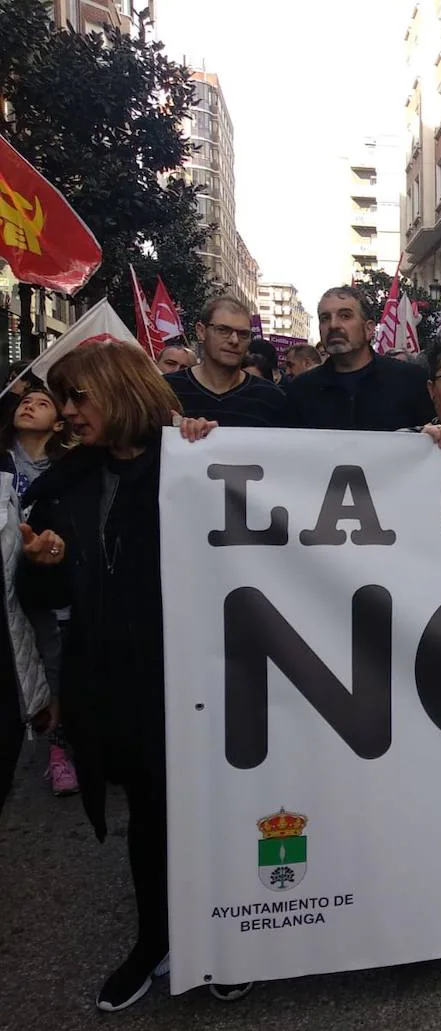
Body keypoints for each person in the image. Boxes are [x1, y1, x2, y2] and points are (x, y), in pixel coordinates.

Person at [20, 342, 240, 1011]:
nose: (68, 412)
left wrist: (207, 446)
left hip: (205, 674)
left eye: (80, 396)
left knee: (212, 811)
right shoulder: (64, 481)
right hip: (119, 682)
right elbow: (40, 587)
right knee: (148, 816)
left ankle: (224, 939)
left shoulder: (196, 459)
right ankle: (154, 941)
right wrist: (49, 559)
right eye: (65, 398)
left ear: (120, 390)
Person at [0, 387, 76, 795]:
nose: (29, 406)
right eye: (25, 401)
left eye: (42, 403)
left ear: (59, 423)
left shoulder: (66, 472)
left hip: (42, 585)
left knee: (53, 662)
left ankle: (58, 751)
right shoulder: (2, 463)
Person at [285, 286, 433, 431]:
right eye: (325, 318)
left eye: (345, 316)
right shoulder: (301, 390)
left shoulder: (410, 380)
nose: (333, 325)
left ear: (369, 329)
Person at [165, 297, 289, 428]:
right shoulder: (165, 390)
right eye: (223, 330)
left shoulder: (272, 398)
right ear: (201, 331)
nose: (234, 340)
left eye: (243, 334)